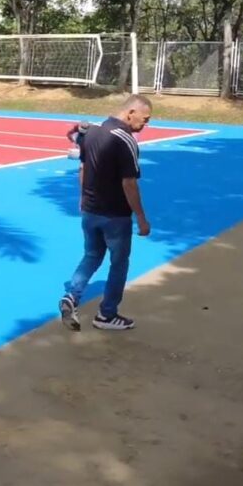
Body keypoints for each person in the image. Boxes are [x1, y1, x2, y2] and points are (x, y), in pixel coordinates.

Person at [59, 94, 152, 331]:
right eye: (145, 119)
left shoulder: (91, 132)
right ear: (131, 112)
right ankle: (107, 314)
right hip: (115, 216)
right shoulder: (126, 140)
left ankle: (72, 296)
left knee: (91, 256)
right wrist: (141, 217)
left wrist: (83, 198)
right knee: (119, 263)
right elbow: (129, 183)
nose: (146, 125)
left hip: (90, 212)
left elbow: (83, 168)